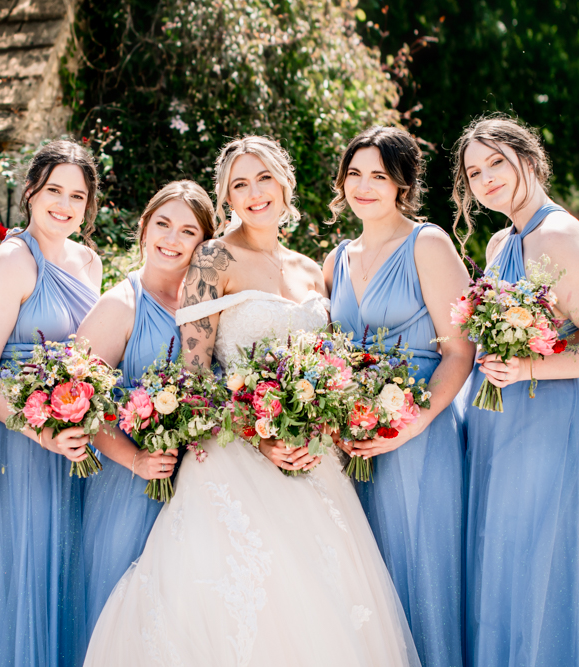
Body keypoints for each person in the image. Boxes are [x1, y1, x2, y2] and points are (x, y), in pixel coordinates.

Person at [83, 136, 421, 667]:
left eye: (263, 178)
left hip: (314, 460)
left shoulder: (311, 269)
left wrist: (324, 422)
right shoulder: (212, 260)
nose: (254, 192)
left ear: (285, 183)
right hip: (234, 455)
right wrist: (261, 439)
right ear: (227, 198)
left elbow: (330, 366)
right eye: (239, 184)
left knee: (323, 611)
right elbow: (194, 377)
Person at [452, 115, 579, 667]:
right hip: (498, 424)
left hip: (550, 423)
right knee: (502, 563)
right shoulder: (501, 241)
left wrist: (528, 367)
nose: (485, 179)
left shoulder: (558, 235)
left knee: (543, 567)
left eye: (496, 163)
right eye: (474, 172)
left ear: (529, 160)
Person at [323, 126, 474, 667]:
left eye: (379, 176)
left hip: (419, 435)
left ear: (402, 185)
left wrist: (410, 424)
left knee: (421, 570)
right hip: (354, 437)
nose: (363, 187)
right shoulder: (336, 259)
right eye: (355, 174)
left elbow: (460, 351)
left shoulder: (428, 244)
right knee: (367, 580)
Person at [0, 141, 101, 666]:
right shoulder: (11, 261)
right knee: (26, 570)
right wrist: (41, 432)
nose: (64, 205)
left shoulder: (89, 261)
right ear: (31, 192)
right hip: (22, 442)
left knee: (70, 569)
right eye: (53, 191)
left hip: (77, 438)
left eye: (77, 196)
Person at [77, 180, 216, 635]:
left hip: (196, 486)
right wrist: (136, 459)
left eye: (188, 231)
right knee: (123, 618)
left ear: (204, 243)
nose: (171, 239)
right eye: (163, 224)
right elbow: (81, 405)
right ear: (144, 227)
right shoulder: (120, 305)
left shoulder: (207, 307)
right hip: (130, 485)